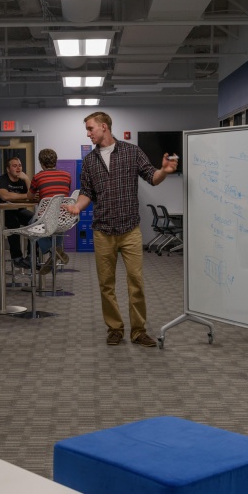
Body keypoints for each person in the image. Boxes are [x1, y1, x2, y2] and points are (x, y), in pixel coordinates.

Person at [65, 111, 177, 348]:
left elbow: (152, 177)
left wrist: (165, 172)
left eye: (90, 128)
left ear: (104, 127)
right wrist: (77, 207)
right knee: (106, 285)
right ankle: (115, 328)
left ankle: (138, 331)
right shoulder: (89, 161)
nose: (88, 133)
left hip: (130, 230)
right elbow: (87, 192)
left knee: (136, 281)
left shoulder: (131, 151)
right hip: (103, 231)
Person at [29, 148, 72, 274]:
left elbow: (30, 197)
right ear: (56, 161)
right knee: (57, 226)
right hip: (63, 218)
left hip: (45, 219)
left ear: (41, 163)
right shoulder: (67, 176)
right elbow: (60, 195)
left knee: (31, 224)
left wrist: (39, 194)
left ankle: (54, 251)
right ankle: (56, 253)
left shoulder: (38, 177)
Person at [0, 157, 36, 269]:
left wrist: (26, 179)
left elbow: (33, 196)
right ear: (8, 169)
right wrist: (26, 196)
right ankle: (17, 258)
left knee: (36, 220)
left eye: (20, 165)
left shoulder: (22, 180)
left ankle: (31, 256)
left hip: (19, 211)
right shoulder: (0, 180)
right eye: (14, 165)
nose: (18, 168)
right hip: (0, 212)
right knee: (13, 222)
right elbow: (5, 196)